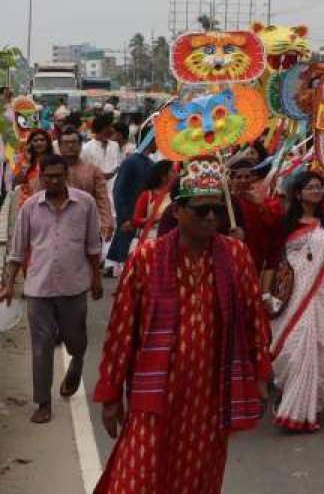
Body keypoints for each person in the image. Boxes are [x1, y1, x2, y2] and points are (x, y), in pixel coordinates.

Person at [91, 160, 270, 494]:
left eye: (216, 210)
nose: (212, 218)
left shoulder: (236, 254)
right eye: (201, 211)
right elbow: (122, 329)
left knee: (198, 476)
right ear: (177, 210)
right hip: (156, 389)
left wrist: (259, 374)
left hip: (211, 393)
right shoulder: (147, 257)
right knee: (137, 477)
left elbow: (252, 317)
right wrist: (111, 393)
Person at [0, 154, 103, 424]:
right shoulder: (30, 207)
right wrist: (8, 284)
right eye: (49, 176)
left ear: (66, 174)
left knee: (75, 339)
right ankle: (43, 402)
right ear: (41, 177)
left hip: (74, 286)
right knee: (41, 346)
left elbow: (93, 245)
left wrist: (96, 278)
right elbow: (17, 250)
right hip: (39, 288)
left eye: (59, 175)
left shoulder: (86, 204)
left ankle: (76, 364)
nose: (54, 180)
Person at [266, 172, 324, 433]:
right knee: (293, 348)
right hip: (291, 293)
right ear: (297, 193)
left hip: (321, 291)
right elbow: (271, 261)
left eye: (319, 186)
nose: (316, 190)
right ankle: (293, 408)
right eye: (310, 187)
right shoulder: (283, 225)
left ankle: (310, 406)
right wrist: (265, 294)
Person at [40, 128, 114, 242]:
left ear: (80, 145)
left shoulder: (93, 171)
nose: (70, 146)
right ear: (59, 146)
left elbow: (102, 199)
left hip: (86, 227)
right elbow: (38, 198)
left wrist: (106, 223)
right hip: (53, 228)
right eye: (66, 143)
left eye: (73, 142)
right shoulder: (48, 171)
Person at [103, 137, 155, 275]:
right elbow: (118, 190)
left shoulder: (150, 162)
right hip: (128, 215)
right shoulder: (131, 161)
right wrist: (124, 217)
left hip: (140, 217)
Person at [129, 160, 176, 246]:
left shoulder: (176, 196)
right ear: (163, 176)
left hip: (169, 243)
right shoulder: (147, 195)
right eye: (172, 171)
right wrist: (156, 219)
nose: (176, 174)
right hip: (149, 242)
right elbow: (136, 220)